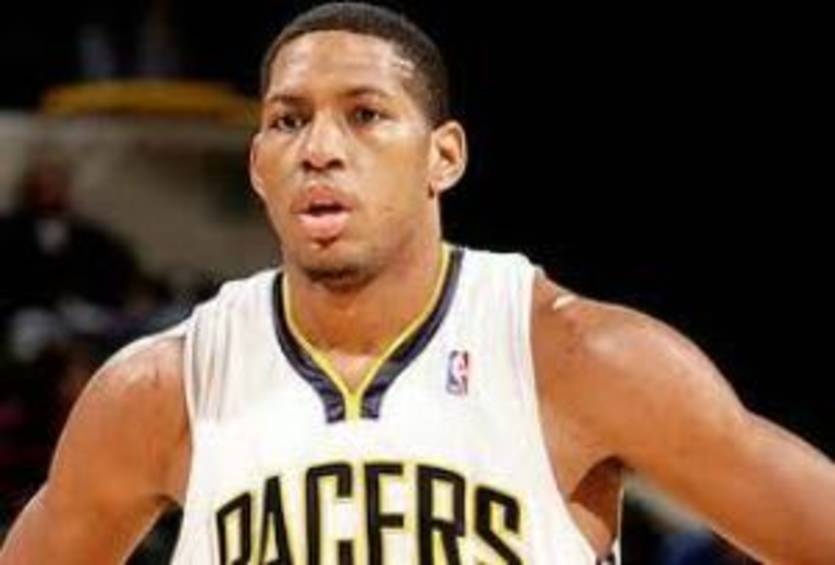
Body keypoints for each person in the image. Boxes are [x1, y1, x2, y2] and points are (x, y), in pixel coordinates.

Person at [2, 3, 833, 564]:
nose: (319, 148)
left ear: (444, 156)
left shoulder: (578, 357)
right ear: (258, 165)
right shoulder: (162, 390)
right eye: (288, 120)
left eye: (364, 114)